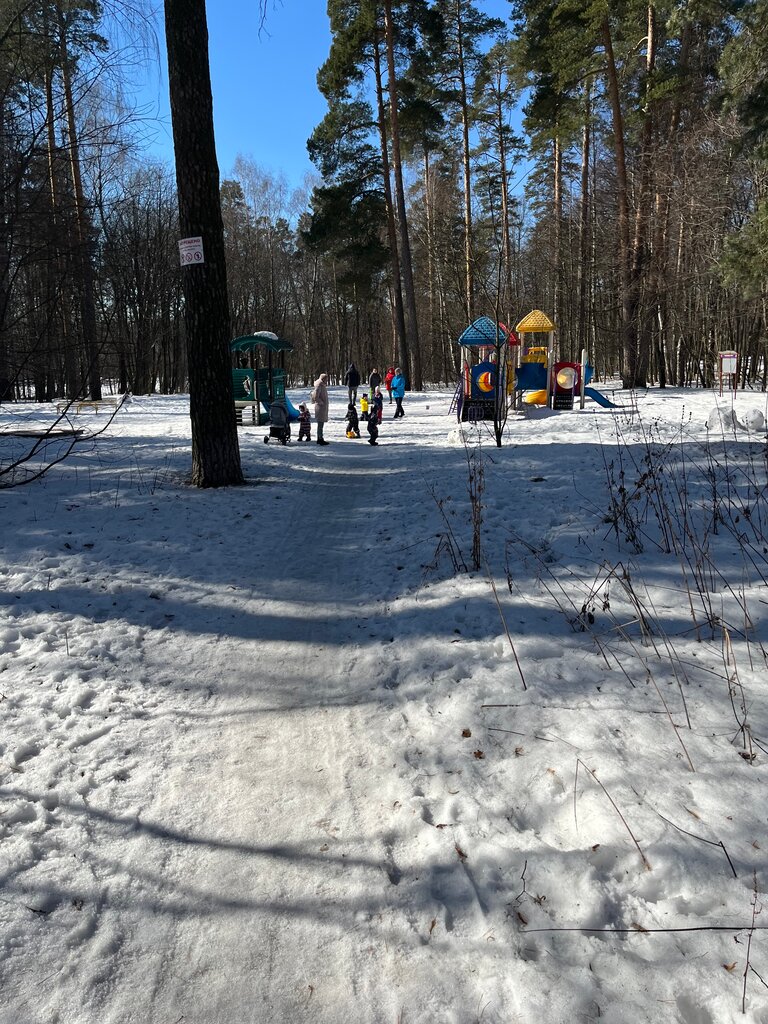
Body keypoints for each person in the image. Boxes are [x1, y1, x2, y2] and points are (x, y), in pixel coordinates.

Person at [311, 373, 330, 445]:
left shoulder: (322, 385)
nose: (327, 380)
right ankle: (320, 438)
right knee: (320, 424)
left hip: (322, 407)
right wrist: (321, 402)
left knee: (321, 424)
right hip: (320, 408)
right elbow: (315, 397)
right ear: (323, 379)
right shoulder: (319, 385)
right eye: (326, 379)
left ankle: (320, 437)